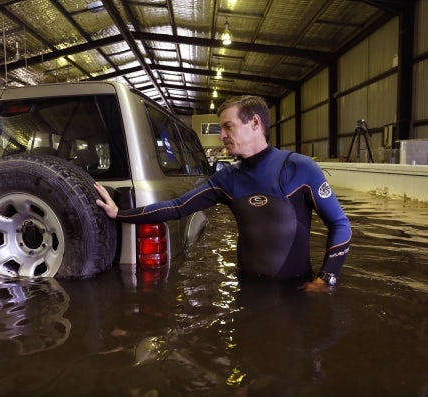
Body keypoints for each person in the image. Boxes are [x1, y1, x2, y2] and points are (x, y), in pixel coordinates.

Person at [95, 95, 351, 292]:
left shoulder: (298, 168)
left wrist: (326, 278)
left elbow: (340, 224)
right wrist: (120, 214)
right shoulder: (227, 178)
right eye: (221, 129)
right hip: (247, 288)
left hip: (296, 290)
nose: (223, 136)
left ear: (254, 123)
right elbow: (176, 207)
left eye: (228, 127)